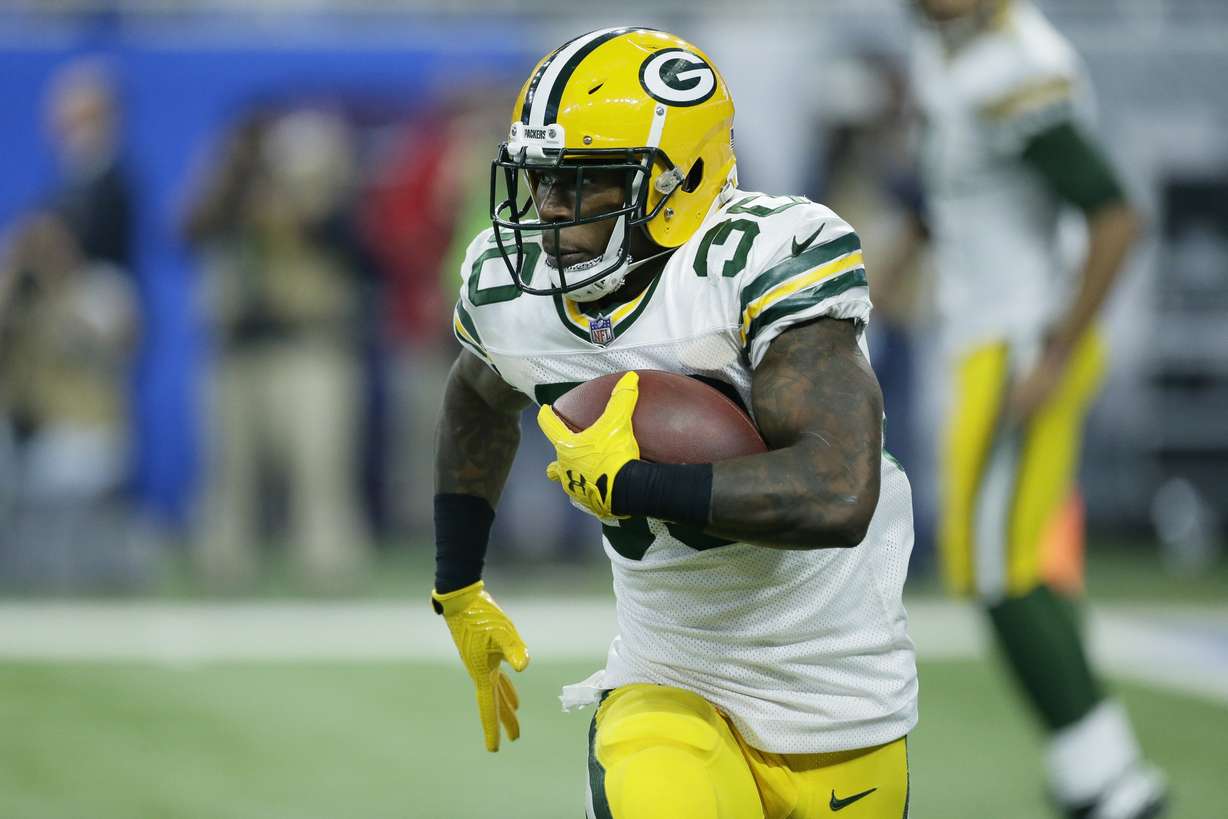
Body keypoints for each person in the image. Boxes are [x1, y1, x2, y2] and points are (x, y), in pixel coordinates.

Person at [430, 28, 917, 819]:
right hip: (671, 675)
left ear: (677, 180)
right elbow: (476, 399)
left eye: (581, 181)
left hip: (838, 688)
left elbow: (838, 490)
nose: (547, 207)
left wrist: (635, 482)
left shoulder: (755, 263)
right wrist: (458, 581)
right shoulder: (516, 295)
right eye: (540, 178)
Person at [910, 2, 1166, 817]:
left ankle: (1109, 777)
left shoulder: (1014, 63)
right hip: (988, 331)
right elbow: (957, 185)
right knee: (1008, 559)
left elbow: (1117, 217)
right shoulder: (956, 49)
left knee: (994, 566)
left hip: (1021, 336)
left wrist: (1053, 354)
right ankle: (1094, 764)